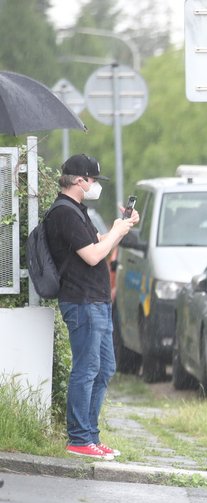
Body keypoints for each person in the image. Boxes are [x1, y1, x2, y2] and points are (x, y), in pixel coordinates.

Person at [45, 154, 140, 460]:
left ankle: (90, 436)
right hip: (82, 301)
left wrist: (118, 227)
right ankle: (78, 438)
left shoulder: (77, 211)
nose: (96, 185)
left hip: (96, 300)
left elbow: (97, 242)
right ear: (80, 180)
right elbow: (93, 255)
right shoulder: (64, 213)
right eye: (94, 180)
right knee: (86, 370)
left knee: (104, 368)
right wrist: (117, 232)